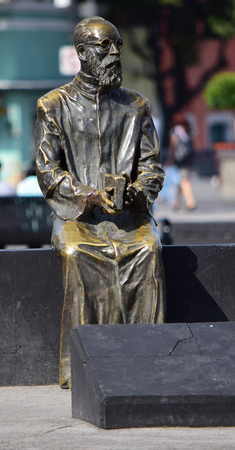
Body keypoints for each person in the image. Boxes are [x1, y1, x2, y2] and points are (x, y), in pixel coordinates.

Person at [35, 16, 166, 389]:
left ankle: (149, 360)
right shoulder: (53, 105)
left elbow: (152, 167)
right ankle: (83, 364)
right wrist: (88, 195)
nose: (114, 54)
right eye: (104, 46)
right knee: (78, 254)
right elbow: (48, 171)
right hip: (77, 217)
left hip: (129, 218)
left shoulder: (136, 106)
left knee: (147, 249)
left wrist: (138, 192)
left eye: (118, 46)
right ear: (81, 53)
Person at [167, 114, 196, 211]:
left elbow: (173, 146)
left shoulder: (175, 131)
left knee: (184, 181)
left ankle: (190, 203)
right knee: (180, 182)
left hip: (179, 161)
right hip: (187, 160)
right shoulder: (186, 131)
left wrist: (169, 160)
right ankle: (176, 203)